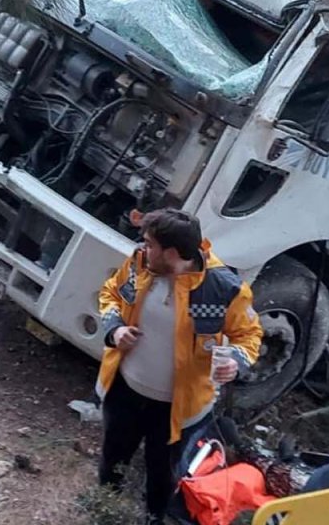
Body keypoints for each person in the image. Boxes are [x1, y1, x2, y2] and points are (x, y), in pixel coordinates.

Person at [96, 208, 263, 524]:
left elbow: (250, 334)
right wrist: (115, 329)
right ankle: (102, 511)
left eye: (150, 244)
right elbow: (111, 294)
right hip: (125, 392)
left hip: (178, 410)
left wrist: (237, 361)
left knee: (162, 474)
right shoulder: (140, 262)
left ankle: (153, 519)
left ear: (171, 253)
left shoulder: (224, 289)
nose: (143, 248)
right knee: (112, 458)